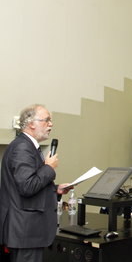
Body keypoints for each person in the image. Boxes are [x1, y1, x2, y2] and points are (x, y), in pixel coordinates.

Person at [0, 105, 71, 262]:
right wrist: (48, 167)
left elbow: (29, 182)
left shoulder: (28, 146)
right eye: (47, 120)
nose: (51, 124)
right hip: (25, 231)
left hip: (28, 231)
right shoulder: (22, 147)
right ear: (31, 123)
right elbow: (27, 186)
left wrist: (55, 189)